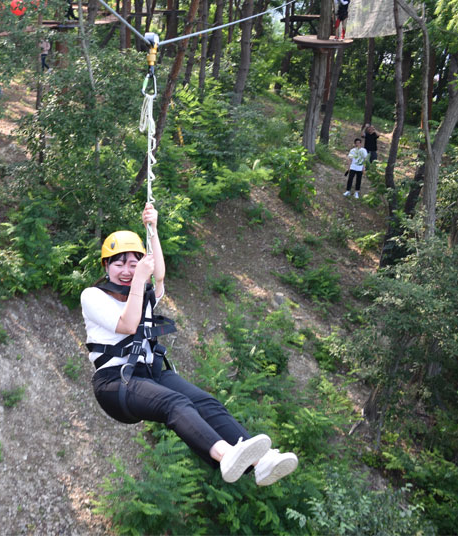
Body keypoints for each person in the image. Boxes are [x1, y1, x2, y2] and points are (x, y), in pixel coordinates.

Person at [80, 203, 298, 486]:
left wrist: (153, 230)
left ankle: (262, 461)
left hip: (151, 373)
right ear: (106, 266)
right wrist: (139, 279)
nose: (126, 270)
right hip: (115, 383)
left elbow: (158, 275)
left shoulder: (144, 291)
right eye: (118, 264)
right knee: (175, 402)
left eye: (133, 264)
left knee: (206, 403)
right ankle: (226, 454)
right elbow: (127, 324)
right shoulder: (93, 296)